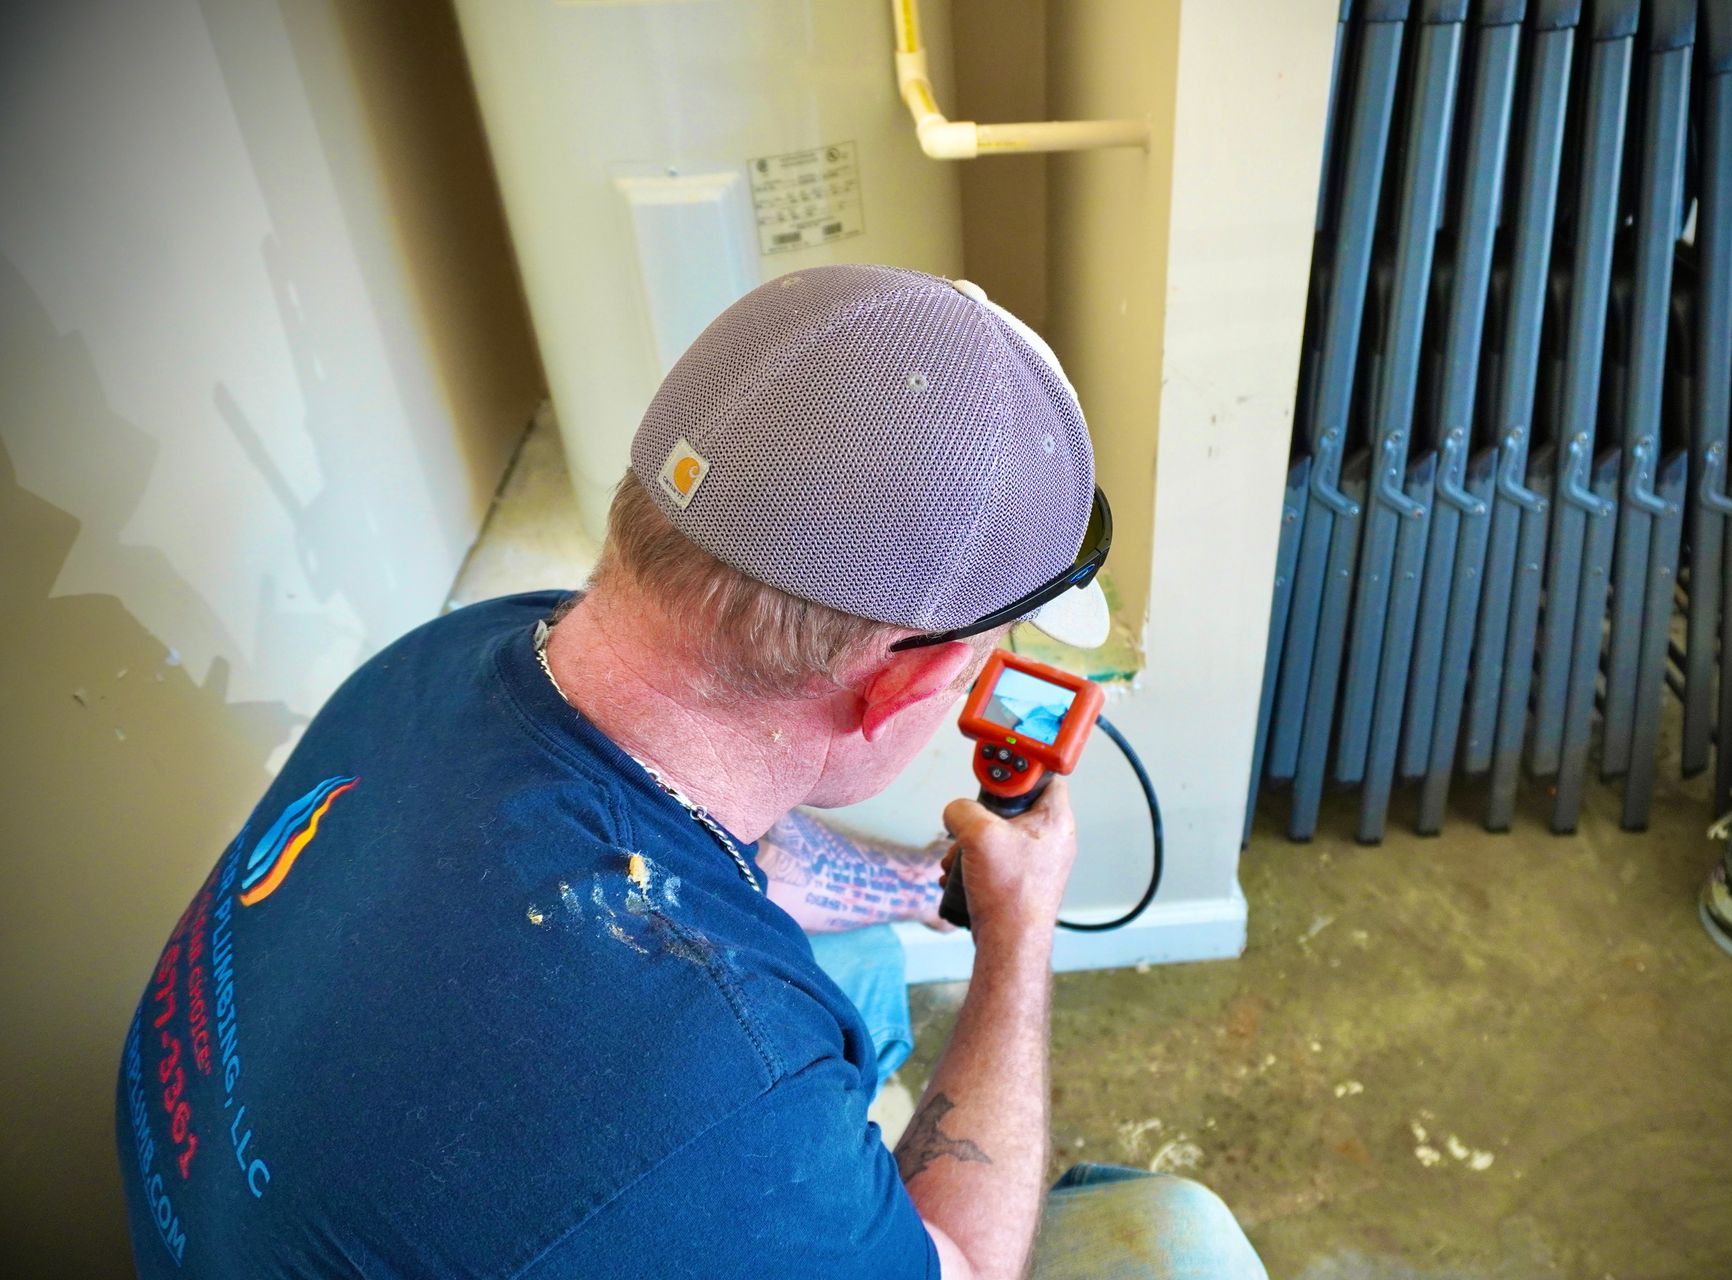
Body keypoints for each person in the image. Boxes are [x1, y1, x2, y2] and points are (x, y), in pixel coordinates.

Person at [114, 265, 1264, 1278]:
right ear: (906, 680)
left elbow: (716, 846)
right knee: (1182, 1239)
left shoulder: (459, 655)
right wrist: (1017, 943)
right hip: (635, 1132)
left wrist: (932, 886)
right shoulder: (714, 1072)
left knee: (860, 963)